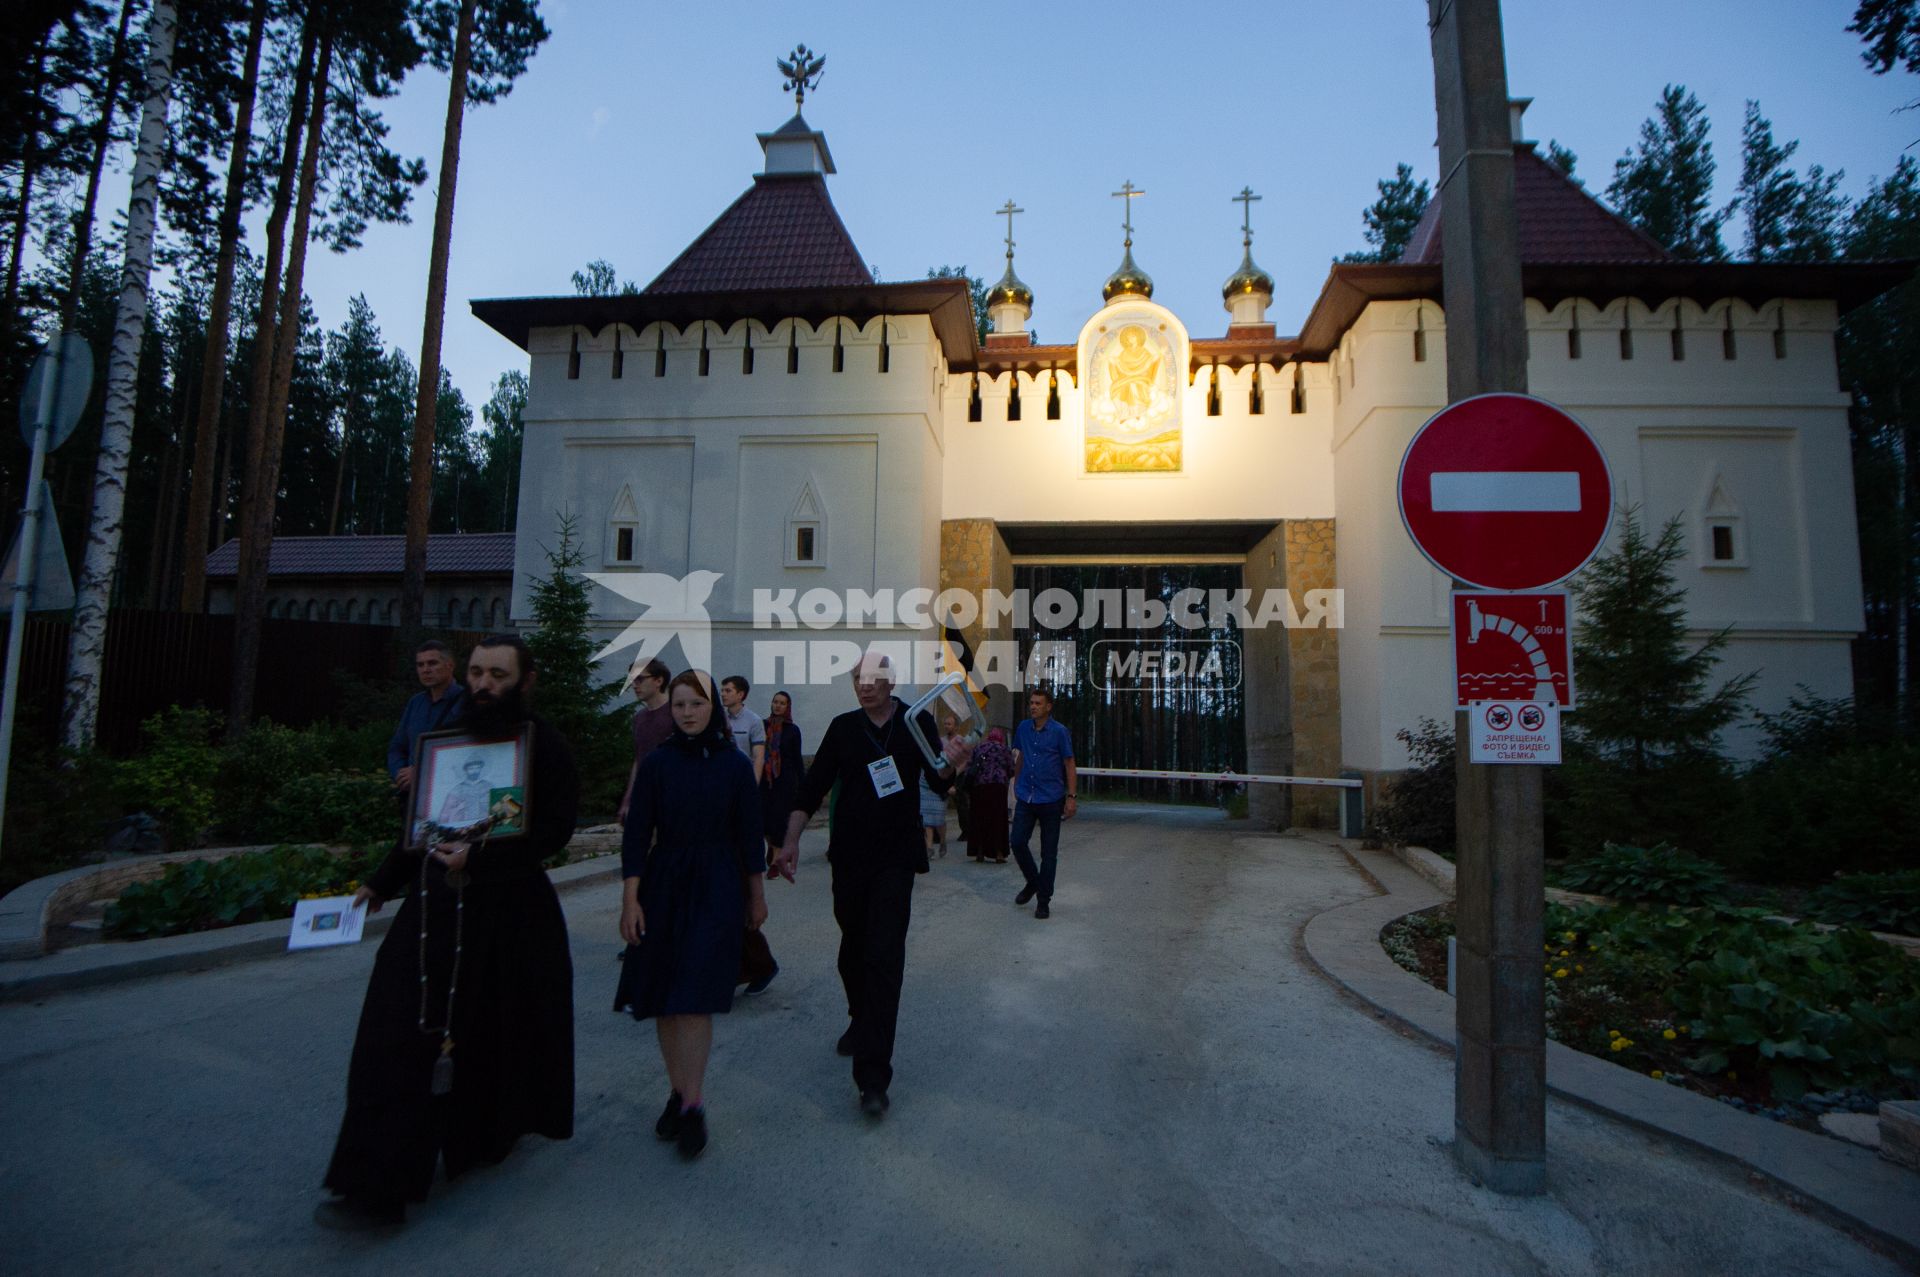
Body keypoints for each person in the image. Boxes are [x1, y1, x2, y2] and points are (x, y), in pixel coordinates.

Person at [319, 635, 579, 1231]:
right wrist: (382, 883)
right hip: (435, 909)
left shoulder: (545, 748)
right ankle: (375, 1188)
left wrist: (481, 861)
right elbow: (423, 825)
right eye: (478, 672)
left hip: (510, 915)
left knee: (494, 1036)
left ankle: (486, 1136)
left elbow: (554, 831)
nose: (485, 684)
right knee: (396, 1035)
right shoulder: (448, 739)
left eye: (498, 674)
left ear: (525, 681)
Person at [775, 652, 972, 1117]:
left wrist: (953, 765)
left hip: (896, 860)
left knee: (884, 956)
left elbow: (937, 781)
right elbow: (812, 788)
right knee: (853, 948)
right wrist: (790, 842)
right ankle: (859, 1017)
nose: (865, 686)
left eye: (873, 679)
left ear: (890, 681)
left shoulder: (914, 721)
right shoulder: (843, 728)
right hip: (848, 857)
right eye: (858, 679)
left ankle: (873, 1076)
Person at [614, 671, 768, 1161]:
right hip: (663, 884)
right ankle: (677, 1091)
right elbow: (638, 833)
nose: (686, 713)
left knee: (696, 997)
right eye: (679, 705)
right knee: (664, 997)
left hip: (718, 884)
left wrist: (756, 895)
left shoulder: (736, 767)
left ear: (712, 709)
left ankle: (694, 1103)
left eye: (696, 704)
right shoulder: (658, 765)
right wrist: (630, 898)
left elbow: (749, 835)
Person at [1010, 686, 1076, 920]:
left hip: (1051, 798)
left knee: (1049, 853)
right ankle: (1033, 882)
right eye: (1031, 702)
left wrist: (1071, 797)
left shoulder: (1059, 732)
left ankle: (1043, 901)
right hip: (1026, 795)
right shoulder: (1023, 728)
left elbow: (1069, 763)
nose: (1033, 706)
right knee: (1017, 841)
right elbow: (1020, 756)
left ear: (1049, 707)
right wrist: (1016, 785)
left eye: (1038, 703)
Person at [387, 640, 466, 792]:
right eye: (420, 665)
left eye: (432, 663)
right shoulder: (416, 703)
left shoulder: (466, 704)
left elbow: (466, 753)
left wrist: (422, 773)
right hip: (413, 795)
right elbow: (397, 747)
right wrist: (400, 774)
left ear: (450, 665)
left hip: (450, 792)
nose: (426, 670)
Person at [619, 657, 674, 826]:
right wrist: (628, 799)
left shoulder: (677, 714)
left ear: (658, 681)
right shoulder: (639, 719)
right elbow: (639, 758)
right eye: (632, 680)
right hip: (645, 798)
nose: (635, 685)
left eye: (640, 679)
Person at [966, 726, 1013, 865]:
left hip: (980, 788)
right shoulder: (1005, 749)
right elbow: (1011, 768)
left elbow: (970, 766)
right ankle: (999, 853)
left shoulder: (979, 748)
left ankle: (980, 851)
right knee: (998, 820)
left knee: (980, 819)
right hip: (998, 788)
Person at [719, 675, 766, 783]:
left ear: (740, 694)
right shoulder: (720, 720)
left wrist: (754, 784)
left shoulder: (754, 721)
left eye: (728, 691)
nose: (723, 694)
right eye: (722, 691)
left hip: (742, 777)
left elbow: (758, 757)